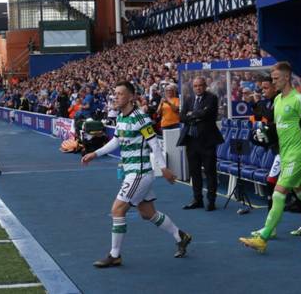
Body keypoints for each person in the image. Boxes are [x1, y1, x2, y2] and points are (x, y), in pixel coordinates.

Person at [81, 81, 192, 267]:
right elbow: (116, 141)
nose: (116, 97)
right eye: (115, 93)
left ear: (131, 97)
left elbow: (154, 144)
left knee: (117, 210)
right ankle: (180, 235)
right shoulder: (121, 118)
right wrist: (95, 153)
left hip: (139, 173)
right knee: (147, 213)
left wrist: (163, 167)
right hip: (131, 172)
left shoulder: (141, 118)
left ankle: (114, 255)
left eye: (120, 94)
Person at [239, 62, 301, 253]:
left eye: (276, 78)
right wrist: (265, 135)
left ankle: (264, 238)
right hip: (285, 154)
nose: (274, 82)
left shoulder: (300, 100)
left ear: (287, 77)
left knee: (278, 193)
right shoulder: (279, 100)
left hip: (298, 155)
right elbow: (279, 128)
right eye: (272, 79)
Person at [177, 76, 224, 211]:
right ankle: (197, 199)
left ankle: (211, 201)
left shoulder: (211, 98)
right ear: (193, 87)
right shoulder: (189, 99)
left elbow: (206, 113)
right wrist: (194, 115)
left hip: (207, 141)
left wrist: (192, 115)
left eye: (201, 85)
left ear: (205, 86)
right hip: (191, 141)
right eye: (196, 86)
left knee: (210, 172)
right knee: (194, 172)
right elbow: (182, 117)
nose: (198, 88)